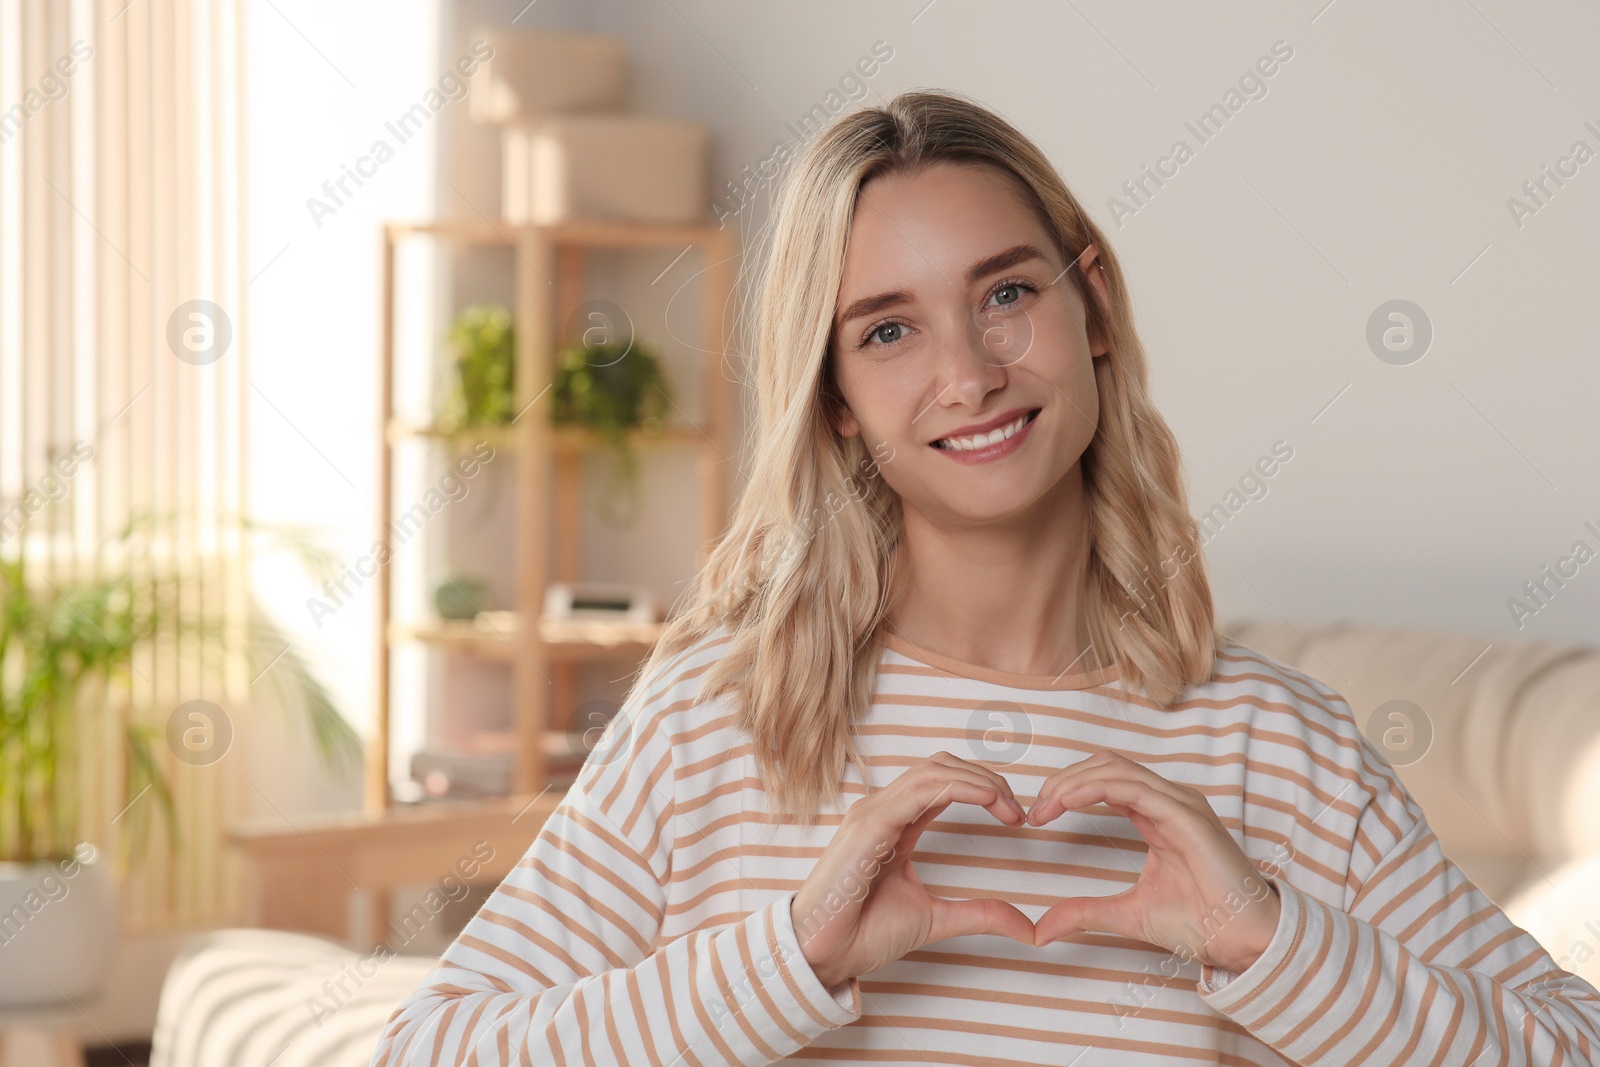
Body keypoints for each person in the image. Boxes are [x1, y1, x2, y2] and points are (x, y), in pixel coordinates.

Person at [370, 89, 1600, 1065]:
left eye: (1006, 292)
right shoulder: (714, 723)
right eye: (888, 330)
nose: (967, 372)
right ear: (837, 400)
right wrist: (788, 957)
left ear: (1094, 306)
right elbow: (428, 1051)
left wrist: (1272, 939)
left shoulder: (1276, 745)